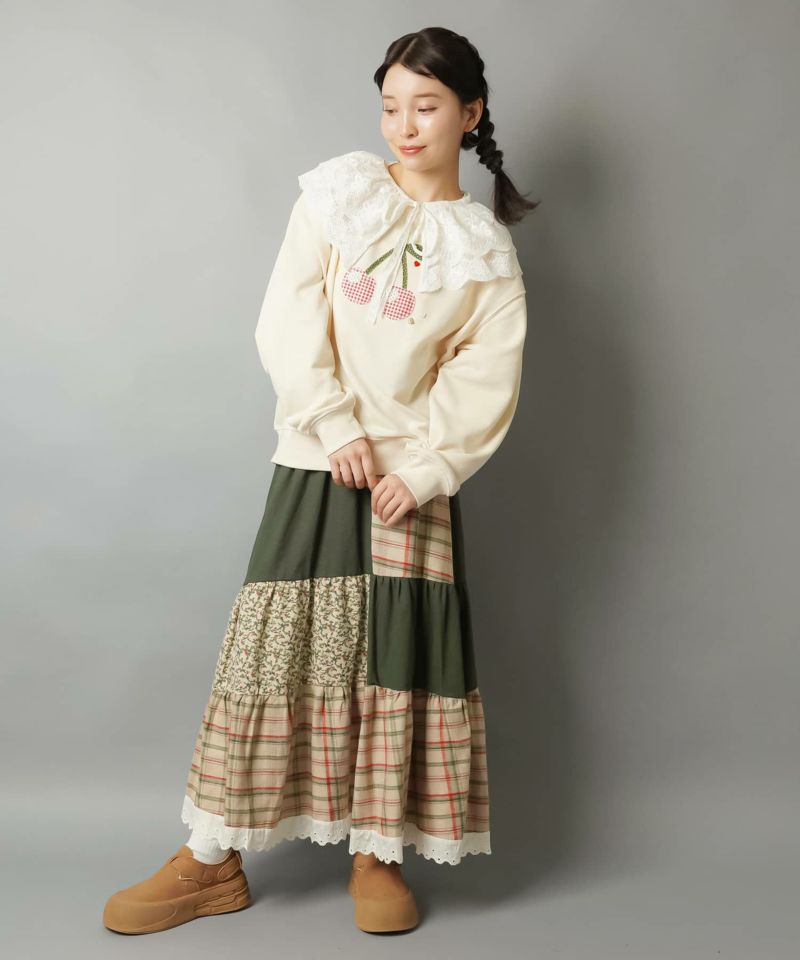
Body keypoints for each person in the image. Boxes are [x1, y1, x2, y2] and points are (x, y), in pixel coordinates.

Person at [102, 25, 538, 937]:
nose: (405, 126)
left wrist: (427, 469)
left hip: (408, 486)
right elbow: (289, 315)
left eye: (426, 107)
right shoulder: (340, 196)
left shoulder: (484, 251)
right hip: (317, 456)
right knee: (275, 655)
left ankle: (377, 854)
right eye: (391, 106)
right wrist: (334, 423)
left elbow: (483, 376)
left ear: (470, 114)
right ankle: (211, 859)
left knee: (395, 665)